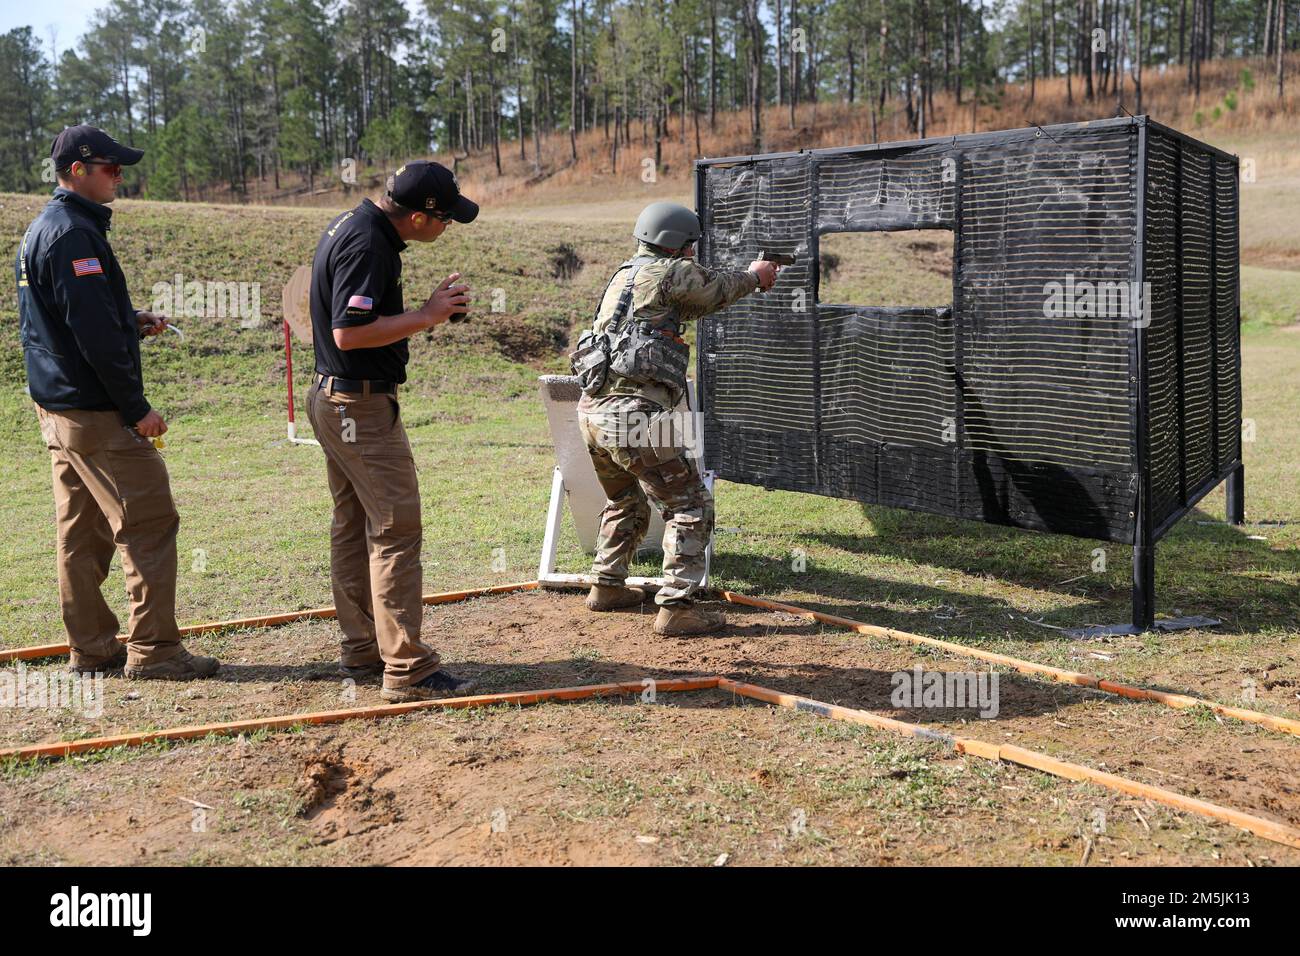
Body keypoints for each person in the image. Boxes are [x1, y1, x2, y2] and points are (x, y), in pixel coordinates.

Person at [16, 125, 219, 680]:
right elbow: (93, 339)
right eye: (111, 167)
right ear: (77, 170)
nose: (120, 176)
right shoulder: (73, 235)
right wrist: (135, 408)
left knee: (81, 535)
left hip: (60, 411)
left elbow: (66, 321)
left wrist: (130, 321)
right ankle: (156, 652)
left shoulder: (45, 229)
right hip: (94, 412)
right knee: (149, 520)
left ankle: (93, 648)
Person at [307, 160, 478, 702]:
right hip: (357, 406)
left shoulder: (354, 226)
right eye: (447, 217)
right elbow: (350, 333)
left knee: (354, 525)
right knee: (395, 529)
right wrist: (426, 315)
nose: (448, 226)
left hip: (335, 398)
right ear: (422, 216)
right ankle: (407, 667)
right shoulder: (368, 244)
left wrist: (425, 312)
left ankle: (363, 648)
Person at [573, 201, 778, 635]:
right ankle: (677, 608)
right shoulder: (670, 273)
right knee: (689, 505)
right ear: (677, 245)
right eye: (689, 245)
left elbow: (682, 307)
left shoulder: (624, 276)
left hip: (592, 415)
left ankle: (608, 585)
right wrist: (756, 277)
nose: (691, 253)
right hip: (633, 417)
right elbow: (717, 289)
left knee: (626, 500)